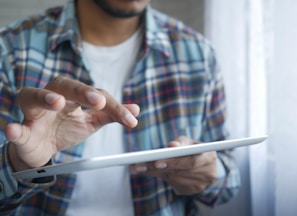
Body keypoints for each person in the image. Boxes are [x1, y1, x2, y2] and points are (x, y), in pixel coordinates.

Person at [0, 0, 241, 215]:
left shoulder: (198, 54)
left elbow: (229, 180)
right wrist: (18, 164)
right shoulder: (10, 49)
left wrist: (210, 173)